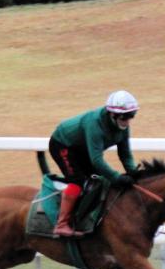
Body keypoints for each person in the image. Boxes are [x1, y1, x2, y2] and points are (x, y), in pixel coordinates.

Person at [48, 90, 139, 237]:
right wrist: (117, 177)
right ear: (112, 114)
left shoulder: (123, 126)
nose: (128, 120)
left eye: (131, 115)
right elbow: (96, 160)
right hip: (62, 144)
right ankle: (61, 225)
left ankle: (85, 218)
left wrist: (133, 172)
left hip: (81, 148)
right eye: (125, 116)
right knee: (78, 181)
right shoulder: (95, 124)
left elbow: (125, 153)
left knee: (98, 180)